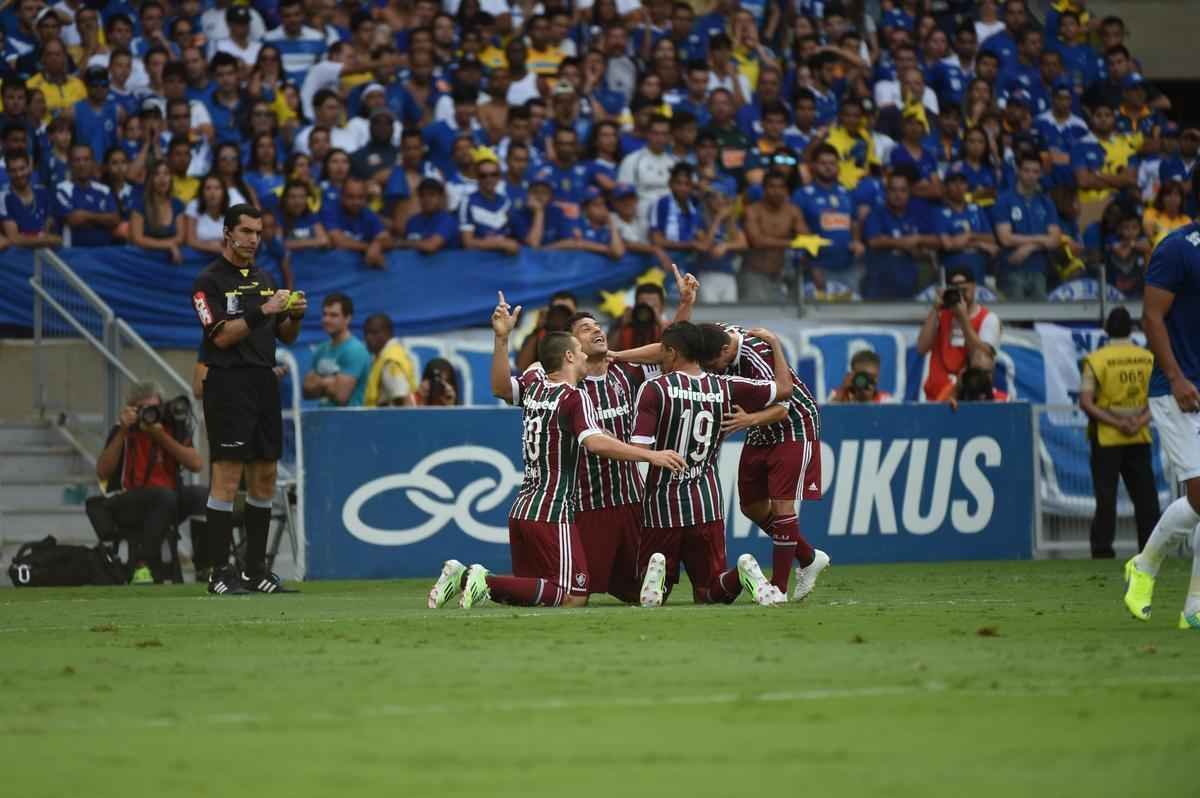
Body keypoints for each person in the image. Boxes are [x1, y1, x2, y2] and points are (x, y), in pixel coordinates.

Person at [426, 293, 686, 610]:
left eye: (596, 326)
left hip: (626, 498)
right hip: (582, 503)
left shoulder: (622, 371)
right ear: (569, 352)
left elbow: (674, 348)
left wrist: (682, 304)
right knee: (574, 592)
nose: (595, 331)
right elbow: (503, 390)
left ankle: (470, 580)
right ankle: (478, 580)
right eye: (584, 331)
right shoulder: (557, 385)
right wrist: (650, 455)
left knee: (633, 591)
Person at [629, 321, 792, 607]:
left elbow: (639, 448)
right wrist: (775, 345)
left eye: (662, 352)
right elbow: (783, 389)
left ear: (673, 351)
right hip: (706, 503)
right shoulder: (726, 386)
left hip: (663, 504)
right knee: (710, 593)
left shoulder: (654, 388)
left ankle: (656, 575)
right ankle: (738, 575)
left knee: (650, 595)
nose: (660, 358)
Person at [190, 203, 307, 595]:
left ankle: (255, 571)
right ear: (227, 233)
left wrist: (294, 315)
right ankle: (218, 573)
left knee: (265, 475)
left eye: (258, 232)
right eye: (246, 232)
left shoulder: (263, 277)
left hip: (263, 382)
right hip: (227, 385)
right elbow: (220, 336)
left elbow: (282, 335)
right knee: (226, 477)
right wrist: (265, 308)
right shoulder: (208, 281)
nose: (253, 239)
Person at [1125, 219, 1200, 629]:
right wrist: (1175, 377)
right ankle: (1145, 566)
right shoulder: (1176, 248)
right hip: (1177, 388)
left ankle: (1194, 608)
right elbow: (1151, 317)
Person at [88, 380, 205, 584]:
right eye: (143, 408)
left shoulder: (170, 427)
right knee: (163, 496)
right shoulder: (124, 431)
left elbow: (196, 464)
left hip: (167, 499)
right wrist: (123, 430)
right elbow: (103, 472)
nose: (149, 413)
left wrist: (159, 436)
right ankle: (143, 564)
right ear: (132, 409)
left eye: (154, 407)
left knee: (202, 496)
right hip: (128, 501)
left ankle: (206, 566)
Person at [1080, 307, 1159, 559]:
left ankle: (1102, 551)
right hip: (1139, 436)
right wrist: (1139, 422)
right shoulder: (1148, 358)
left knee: (1106, 498)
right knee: (1146, 498)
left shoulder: (1096, 360)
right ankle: (1151, 550)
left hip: (1106, 438)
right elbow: (1160, 399)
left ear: (1106, 329)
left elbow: (1086, 402)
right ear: (1132, 328)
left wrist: (1116, 423)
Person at [917, 267, 1002, 401]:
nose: (961, 296)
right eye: (957, 291)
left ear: (974, 287)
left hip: (969, 398)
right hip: (936, 398)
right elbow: (922, 348)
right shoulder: (941, 315)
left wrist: (963, 319)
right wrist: (935, 310)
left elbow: (983, 357)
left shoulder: (988, 319)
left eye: (964, 290)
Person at [992, 153, 1062, 301]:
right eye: (1026, 170)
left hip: (1040, 269)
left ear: (1041, 174)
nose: (1031, 175)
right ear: (1018, 171)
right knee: (1016, 318)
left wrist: (1029, 247)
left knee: (1041, 319)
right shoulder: (1004, 200)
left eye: (1035, 171)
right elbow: (1005, 239)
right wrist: (1041, 240)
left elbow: (1055, 240)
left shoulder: (1046, 202)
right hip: (1011, 269)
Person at [743, 169, 809, 303]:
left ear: (786, 190)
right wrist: (792, 242)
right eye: (772, 187)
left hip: (782, 276)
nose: (776, 191)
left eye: (781, 187)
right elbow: (757, 241)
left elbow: (805, 238)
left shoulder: (792, 211)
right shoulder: (753, 210)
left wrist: (799, 241)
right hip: (755, 274)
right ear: (764, 189)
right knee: (753, 318)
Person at [303, 293, 372, 408]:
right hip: (323, 421)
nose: (326, 319)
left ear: (348, 318)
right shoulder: (321, 349)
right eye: (324, 314)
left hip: (348, 422)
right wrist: (330, 382)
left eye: (333, 315)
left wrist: (318, 382)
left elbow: (341, 396)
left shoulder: (355, 350)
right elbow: (306, 392)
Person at [321, 177, 391, 268]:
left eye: (360, 197)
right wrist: (370, 247)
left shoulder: (368, 213)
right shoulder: (329, 210)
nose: (356, 202)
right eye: (351, 197)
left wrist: (377, 245)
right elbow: (339, 242)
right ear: (341, 196)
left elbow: (386, 239)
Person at [129, 160, 185, 263]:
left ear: (171, 178)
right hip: (142, 261)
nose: (162, 178)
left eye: (166, 173)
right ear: (150, 179)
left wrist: (170, 245)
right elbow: (138, 239)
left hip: (170, 262)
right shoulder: (139, 204)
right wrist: (168, 245)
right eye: (157, 174)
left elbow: (180, 237)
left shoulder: (178, 204)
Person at [362, 313, 417, 407]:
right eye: (366, 333)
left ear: (388, 333)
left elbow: (401, 399)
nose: (368, 338)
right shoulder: (388, 355)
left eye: (374, 333)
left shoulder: (390, 361)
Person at [828, 350, 895, 403]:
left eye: (873, 377)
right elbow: (826, 416)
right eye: (864, 377)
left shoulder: (886, 402)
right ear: (853, 377)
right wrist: (842, 390)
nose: (869, 383)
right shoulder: (837, 396)